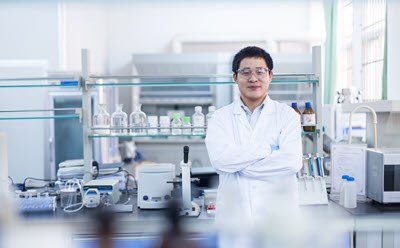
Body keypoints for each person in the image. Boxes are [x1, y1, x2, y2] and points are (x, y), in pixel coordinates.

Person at [205, 46, 303, 247]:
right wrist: (266, 149)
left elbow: (292, 162)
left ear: (270, 75)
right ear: (235, 77)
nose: (253, 78)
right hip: (235, 222)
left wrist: (240, 164)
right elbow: (221, 162)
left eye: (260, 71)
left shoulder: (288, 116)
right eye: (246, 72)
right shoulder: (220, 118)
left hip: (278, 221)